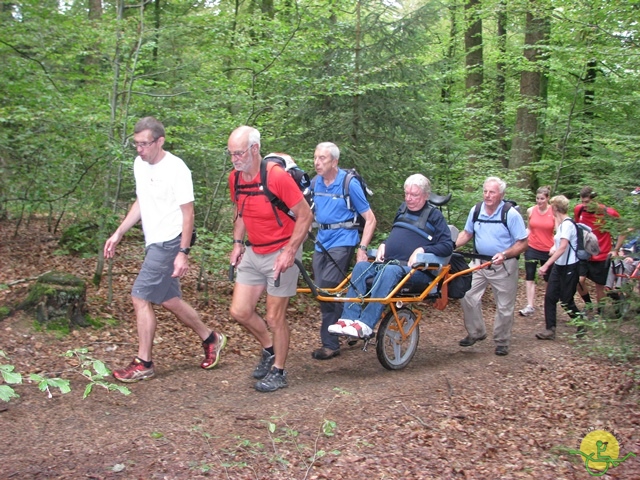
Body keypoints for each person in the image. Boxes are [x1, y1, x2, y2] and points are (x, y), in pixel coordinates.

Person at [105, 117, 226, 383]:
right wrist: (119, 232)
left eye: (145, 144)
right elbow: (141, 201)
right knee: (169, 299)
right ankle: (211, 338)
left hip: (170, 240)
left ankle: (143, 362)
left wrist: (183, 252)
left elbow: (188, 213)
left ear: (160, 141)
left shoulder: (176, 169)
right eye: (136, 144)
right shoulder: (140, 164)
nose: (140, 150)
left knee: (140, 296)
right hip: (154, 240)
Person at [227, 126, 313, 392]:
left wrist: (289, 252)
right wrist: (238, 243)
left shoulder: (276, 177)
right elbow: (241, 212)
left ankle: (279, 371)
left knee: (275, 317)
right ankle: (269, 349)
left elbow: (305, 215)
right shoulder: (236, 179)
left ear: (255, 149)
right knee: (239, 311)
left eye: (239, 153)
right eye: (230, 154)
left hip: (282, 250)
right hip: (254, 250)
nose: (234, 159)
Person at [327, 174, 453, 338]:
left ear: (426, 195)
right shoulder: (402, 210)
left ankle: (366, 323)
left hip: (416, 272)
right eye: (406, 193)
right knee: (361, 266)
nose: (409, 198)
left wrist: (423, 249)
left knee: (391, 271)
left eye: (414, 195)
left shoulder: (434, 216)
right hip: (388, 264)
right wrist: (384, 244)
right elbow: (398, 235)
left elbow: (447, 246)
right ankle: (348, 319)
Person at [310, 142, 377, 360]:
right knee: (320, 291)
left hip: (343, 240)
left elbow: (370, 219)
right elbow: (309, 216)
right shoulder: (315, 183)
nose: (317, 163)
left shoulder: (348, 184)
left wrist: (362, 249)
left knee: (328, 288)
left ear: (335, 162)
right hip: (321, 241)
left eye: (323, 159)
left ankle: (330, 344)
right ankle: (350, 323)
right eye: (316, 158)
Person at [455, 176, 528, 356]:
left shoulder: (510, 214)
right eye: (485, 191)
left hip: (504, 266)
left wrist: (504, 254)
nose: (487, 195)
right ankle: (477, 331)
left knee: (504, 306)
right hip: (479, 263)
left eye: (492, 192)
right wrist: (451, 246)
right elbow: (467, 233)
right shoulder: (476, 210)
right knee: (466, 294)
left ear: (501, 194)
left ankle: (502, 340)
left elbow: (522, 243)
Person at [536, 195, 581, 340]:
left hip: (570, 266)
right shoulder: (561, 223)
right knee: (550, 297)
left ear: (555, 208)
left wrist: (547, 264)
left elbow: (562, 247)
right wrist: (553, 248)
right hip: (559, 266)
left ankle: (581, 323)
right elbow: (558, 244)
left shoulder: (568, 224)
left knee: (566, 300)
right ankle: (550, 329)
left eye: (551, 206)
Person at [574, 186, 625, 308]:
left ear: (595, 200)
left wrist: (616, 249)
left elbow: (624, 229)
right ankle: (589, 305)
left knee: (600, 286)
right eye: (582, 201)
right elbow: (578, 228)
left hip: (601, 255)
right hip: (583, 254)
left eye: (587, 202)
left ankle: (601, 312)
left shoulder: (607, 212)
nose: (584, 204)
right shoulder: (579, 210)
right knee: (578, 281)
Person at [519, 186, 555, 317]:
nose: (539, 201)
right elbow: (529, 229)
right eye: (537, 198)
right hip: (532, 247)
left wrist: (555, 247)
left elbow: (557, 232)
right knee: (530, 276)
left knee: (548, 278)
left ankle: (549, 303)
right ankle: (530, 305)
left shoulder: (553, 211)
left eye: (542, 199)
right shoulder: (531, 211)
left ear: (547, 198)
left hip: (548, 249)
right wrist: (521, 241)